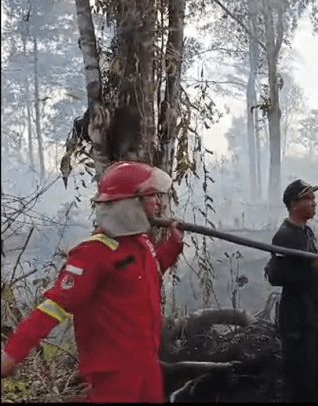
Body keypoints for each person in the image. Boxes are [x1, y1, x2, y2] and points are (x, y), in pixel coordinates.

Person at [0, 161, 184, 403]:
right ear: (130, 201)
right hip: (111, 376)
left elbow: (148, 275)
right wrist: (12, 354)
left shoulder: (141, 243)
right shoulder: (93, 253)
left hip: (146, 366)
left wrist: (174, 245)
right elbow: (54, 307)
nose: (159, 203)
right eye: (152, 196)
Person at [265, 179, 318, 403]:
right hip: (296, 320)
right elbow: (275, 276)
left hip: (312, 315)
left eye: (313, 198)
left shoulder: (306, 232)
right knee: (300, 381)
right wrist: (310, 268)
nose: (314, 203)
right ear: (294, 204)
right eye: (308, 198)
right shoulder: (284, 236)